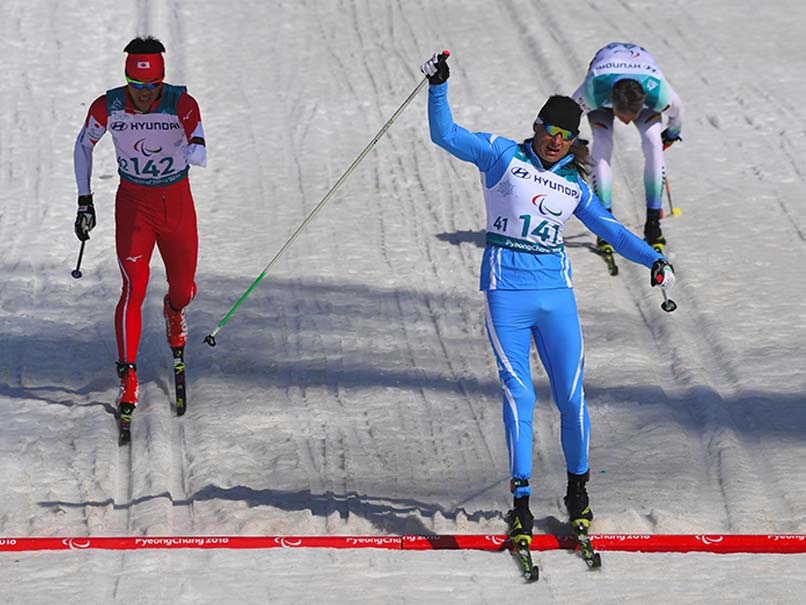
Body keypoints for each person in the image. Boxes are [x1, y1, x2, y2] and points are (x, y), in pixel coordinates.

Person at [419, 52, 675, 545]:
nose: (556, 143)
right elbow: (445, 134)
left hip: (556, 296)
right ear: (536, 127)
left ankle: (578, 492)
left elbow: (614, 232)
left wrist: (653, 259)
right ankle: (520, 504)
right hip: (506, 294)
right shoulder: (501, 155)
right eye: (549, 132)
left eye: (566, 137)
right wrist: (438, 87)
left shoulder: (574, 182)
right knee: (518, 397)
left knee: (571, 396)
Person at [73, 36, 207, 435]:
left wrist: (193, 146)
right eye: (136, 85)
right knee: (133, 287)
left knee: (183, 287)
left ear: (162, 80)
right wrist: (85, 201)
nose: (144, 95)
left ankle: (174, 311)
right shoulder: (109, 106)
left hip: (176, 205)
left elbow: (200, 144)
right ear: (126, 78)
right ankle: (128, 378)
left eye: (151, 87)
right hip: (133, 206)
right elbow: (83, 146)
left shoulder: (181, 103)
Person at [570, 42, 684, 253]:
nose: (625, 122)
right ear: (613, 105)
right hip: (604, 84)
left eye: (631, 117)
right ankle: (605, 224)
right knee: (602, 145)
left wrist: (671, 135)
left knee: (653, 143)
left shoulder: (659, 92)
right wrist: (573, 140)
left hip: (641, 79)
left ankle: (653, 224)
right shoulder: (592, 90)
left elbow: (678, 114)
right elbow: (568, 114)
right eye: (623, 117)